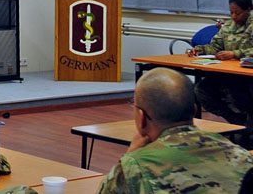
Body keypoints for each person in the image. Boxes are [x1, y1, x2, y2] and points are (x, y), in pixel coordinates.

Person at [97, 67, 253, 193]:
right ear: (194, 110)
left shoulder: (134, 168)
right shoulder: (241, 155)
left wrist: (130, 156)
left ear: (141, 117)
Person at [188, 0, 253, 125]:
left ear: (248, 10)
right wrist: (200, 50)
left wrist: (235, 53)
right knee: (202, 90)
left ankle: (248, 125)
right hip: (227, 73)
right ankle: (236, 121)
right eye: (231, 13)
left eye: (238, 13)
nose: (234, 16)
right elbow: (216, 47)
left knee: (237, 93)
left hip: (246, 76)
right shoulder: (229, 26)